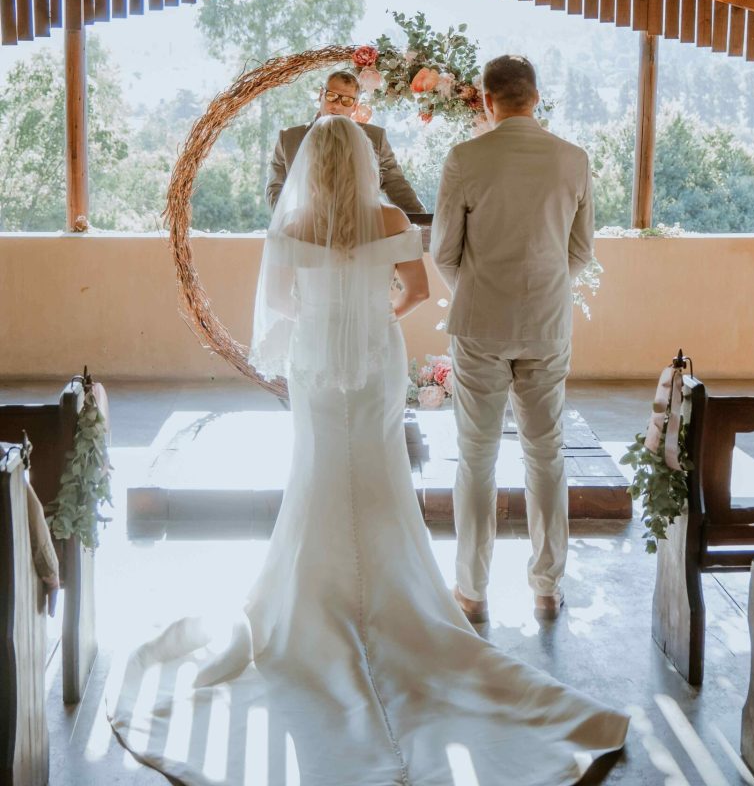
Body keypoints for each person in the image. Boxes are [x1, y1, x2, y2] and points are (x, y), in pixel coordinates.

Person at [109, 116, 626, 785]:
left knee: (318, 469)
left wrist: (331, 313)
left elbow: (286, 302)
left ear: (310, 165)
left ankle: (311, 600)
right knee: (379, 469)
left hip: (318, 358)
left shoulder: (292, 226)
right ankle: (399, 597)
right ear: (361, 162)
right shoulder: (387, 219)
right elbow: (415, 290)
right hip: (375, 357)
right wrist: (374, 314)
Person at [431, 54, 594, 623]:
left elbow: (444, 251)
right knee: (545, 453)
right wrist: (540, 293)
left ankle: (472, 592)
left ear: (485, 99)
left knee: (476, 457)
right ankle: (546, 588)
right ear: (536, 96)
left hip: (479, 324)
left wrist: (479, 289)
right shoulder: (572, 160)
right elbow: (580, 252)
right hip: (547, 324)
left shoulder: (465, 158)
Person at [266, 68, 425, 213]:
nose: (337, 105)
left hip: (359, 231)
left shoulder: (376, 138)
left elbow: (396, 185)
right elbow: (275, 188)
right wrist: (291, 221)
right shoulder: (288, 139)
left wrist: (423, 221)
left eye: (346, 100)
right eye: (331, 96)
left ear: (355, 106)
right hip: (304, 231)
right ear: (321, 95)